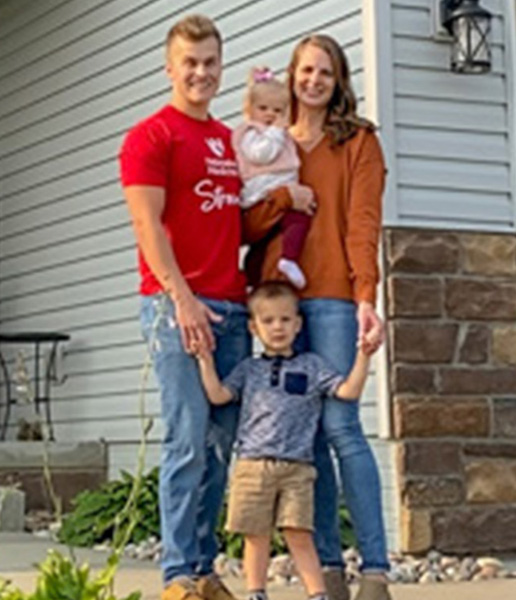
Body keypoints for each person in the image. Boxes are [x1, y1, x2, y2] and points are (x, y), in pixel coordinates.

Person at [120, 13, 269, 600]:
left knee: (221, 442)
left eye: (210, 62)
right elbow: (145, 223)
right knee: (186, 440)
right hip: (176, 303)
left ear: (220, 66)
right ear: (170, 67)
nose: (201, 72)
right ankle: (178, 574)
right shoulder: (151, 136)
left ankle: (205, 570)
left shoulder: (227, 142)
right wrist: (181, 299)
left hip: (231, 306)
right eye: (191, 63)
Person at [243, 34, 391, 600]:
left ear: (339, 79)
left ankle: (374, 569)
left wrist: (366, 298)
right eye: (305, 70)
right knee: (305, 440)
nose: (312, 80)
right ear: (292, 74)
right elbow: (249, 224)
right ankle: (327, 571)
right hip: (278, 304)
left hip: (330, 298)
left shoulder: (356, 141)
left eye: (324, 72)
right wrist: (285, 200)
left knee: (340, 427)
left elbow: (363, 223)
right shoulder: (269, 141)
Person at [194, 282, 373, 600]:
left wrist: (364, 355)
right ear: (254, 327)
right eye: (268, 321)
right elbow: (219, 395)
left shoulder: (313, 366)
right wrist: (205, 361)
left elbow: (348, 391)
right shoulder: (248, 369)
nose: (278, 327)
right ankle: (256, 593)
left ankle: (317, 594)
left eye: (285, 320)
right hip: (252, 465)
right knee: (256, 536)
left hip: (297, 468)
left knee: (299, 534)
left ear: (297, 324)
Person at [231, 67, 307, 289]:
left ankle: (267, 268)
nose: (270, 114)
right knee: (297, 219)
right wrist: (276, 132)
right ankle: (289, 259)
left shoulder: (279, 134)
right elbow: (261, 154)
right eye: (262, 108)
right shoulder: (250, 133)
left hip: (276, 189)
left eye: (277, 110)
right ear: (249, 109)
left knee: (273, 238)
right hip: (262, 190)